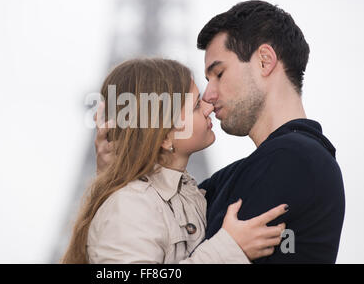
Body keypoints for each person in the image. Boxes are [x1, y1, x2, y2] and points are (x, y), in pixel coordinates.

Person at [95, 0, 346, 263]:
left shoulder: (293, 158)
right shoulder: (220, 183)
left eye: (219, 73)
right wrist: (118, 177)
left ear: (264, 61)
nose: (209, 96)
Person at [61, 58, 288, 264]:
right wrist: (228, 249)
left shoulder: (187, 197)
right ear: (166, 135)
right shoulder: (129, 206)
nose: (209, 107)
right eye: (197, 106)